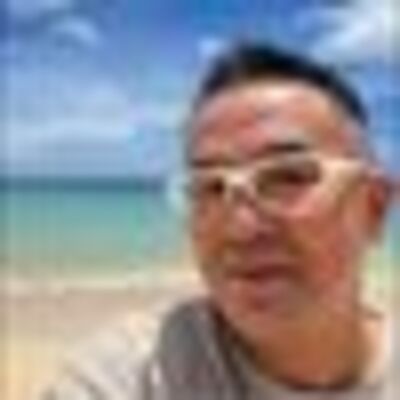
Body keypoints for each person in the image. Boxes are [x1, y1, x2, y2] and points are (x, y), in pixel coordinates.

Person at [40, 43, 396, 400]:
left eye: (288, 176)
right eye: (210, 187)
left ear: (374, 208)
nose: (240, 228)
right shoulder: (136, 374)